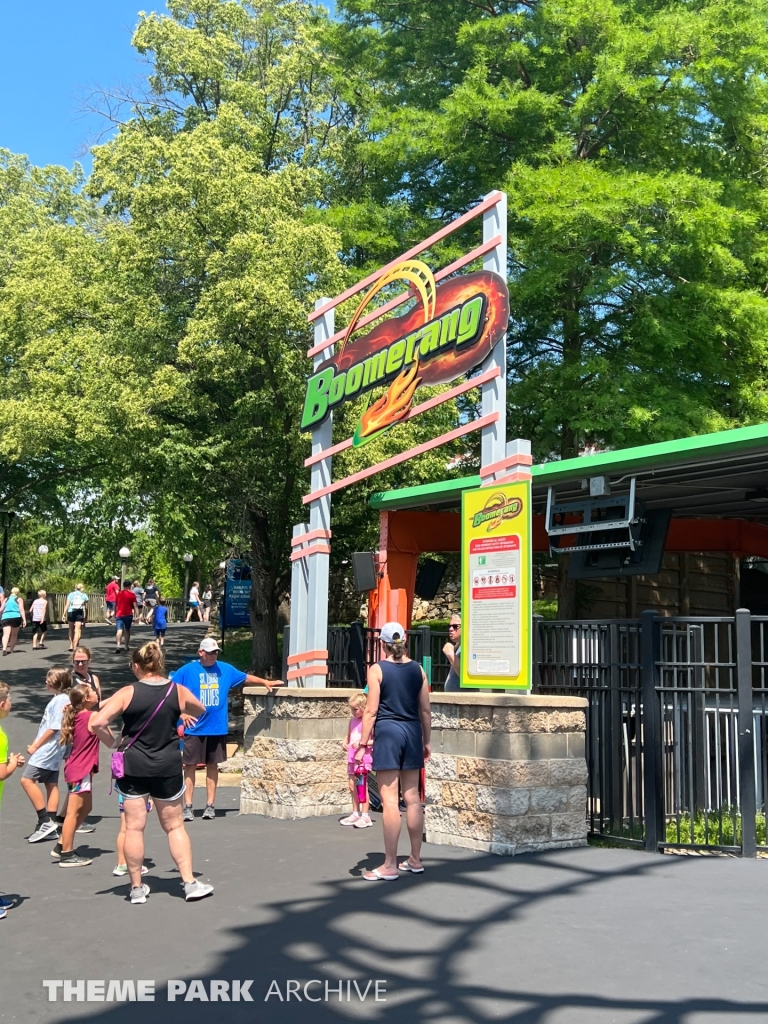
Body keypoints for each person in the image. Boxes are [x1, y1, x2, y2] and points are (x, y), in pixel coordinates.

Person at [89, 641, 213, 904]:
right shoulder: (176, 690)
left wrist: (113, 742)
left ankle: (136, 888)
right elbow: (200, 710)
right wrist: (179, 714)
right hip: (166, 765)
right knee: (175, 826)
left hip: (134, 766)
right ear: (160, 664)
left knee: (134, 828)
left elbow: (97, 721)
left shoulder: (127, 692)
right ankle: (189, 882)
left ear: (136, 666)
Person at [172, 637, 281, 821]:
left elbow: (246, 678)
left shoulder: (225, 669)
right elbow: (170, 691)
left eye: (216, 652)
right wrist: (181, 715)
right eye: (210, 652)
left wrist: (265, 682)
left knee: (212, 766)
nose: (213, 655)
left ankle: (210, 806)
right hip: (194, 729)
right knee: (189, 766)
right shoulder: (187, 671)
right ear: (201, 652)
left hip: (216, 729)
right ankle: (188, 806)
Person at [356, 622, 431, 881]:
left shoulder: (377, 670)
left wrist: (362, 744)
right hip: (412, 733)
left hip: (388, 733)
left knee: (389, 799)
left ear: (382, 644)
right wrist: (427, 741)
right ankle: (415, 859)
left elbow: (371, 711)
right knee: (412, 798)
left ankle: (389, 864)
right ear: (404, 641)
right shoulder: (419, 670)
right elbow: (425, 711)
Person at [52, 682, 108, 867]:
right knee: (73, 812)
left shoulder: (79, 714)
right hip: (79, 770)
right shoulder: (92, 716)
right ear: (86, 698)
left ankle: (61, 845)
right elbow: (109, 736)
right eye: (92, 692)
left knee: (86, 808)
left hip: (80, 769)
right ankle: (67, 854)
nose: (96, 693)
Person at [20, 669, 72, 843]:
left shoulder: (60, 700)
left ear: (58, 682)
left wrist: (36, 745)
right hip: (56, 749)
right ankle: (50, 822)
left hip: (49, 749)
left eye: (49, 680)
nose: (46, 682)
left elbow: (53, 728)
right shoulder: (61, 699)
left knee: (27, 780)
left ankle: (44, 820)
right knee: (51, 783)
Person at [0, 681, 25, 919]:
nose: (11, 703)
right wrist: (13, 764)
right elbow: (0, 774)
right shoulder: (0, 736)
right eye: (9, 700)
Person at [340, 692, 373, 828]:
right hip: (352, 758)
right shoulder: (352, 721)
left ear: (363, 707)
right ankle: (355, 812)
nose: (353, 712)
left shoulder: (369, 722)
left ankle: (365, 815)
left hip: (363, 759)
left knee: (361, 786)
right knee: (352, 786)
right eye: (351, 709)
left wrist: (362, 743)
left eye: (355, 709)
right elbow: (348, 736)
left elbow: (375, 740)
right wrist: (344, 742)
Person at [443, 613, 476, 692]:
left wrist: (451, 654)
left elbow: (466, 677)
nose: (450, 629)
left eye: (455, 627)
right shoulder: (460, 646)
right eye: (449, 626)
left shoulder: (470, 647)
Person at [1, 587, 26, 656]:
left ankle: (4, 649)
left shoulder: (6, 599)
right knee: (14, 634)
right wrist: (24, 620)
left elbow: (1, 609)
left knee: (5, 634)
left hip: (5, 617)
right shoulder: (19, 599)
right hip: (15, 617)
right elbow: (21, 610)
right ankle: (11, 649)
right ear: (18, 593)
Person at [63, 584, 88, 651]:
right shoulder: (84, 595)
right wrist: (85, 618)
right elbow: (86, 608)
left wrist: (63, 614)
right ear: (82, 588)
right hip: (79, 613)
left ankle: (71, 645)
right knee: (77, 630)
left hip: (70, 612)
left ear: (75, 588)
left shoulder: (71, 594)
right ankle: (75, 646)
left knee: (70, 629)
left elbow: (67, 605)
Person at [114, 582, 138, 652]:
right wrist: (137, 615)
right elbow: (135, 606)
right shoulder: (132, 595)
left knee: (119, 630)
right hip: (128, 614)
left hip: (119, 614)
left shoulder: (119, 594)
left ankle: (118, 645)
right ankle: (126, 646)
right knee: (127, 630)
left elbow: (115, 605)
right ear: (130, 586)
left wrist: (115, 613)